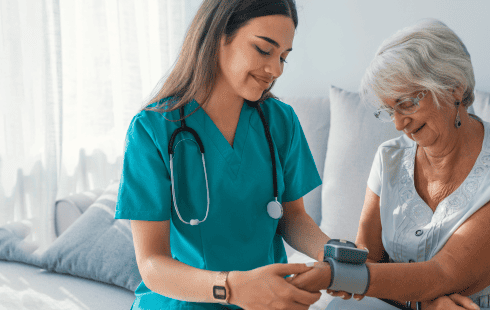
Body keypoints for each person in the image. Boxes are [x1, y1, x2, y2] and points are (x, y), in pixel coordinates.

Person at [290, 19, 490, 310]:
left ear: (454, 89)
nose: (398, 123)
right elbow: (369, 263)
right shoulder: (389, 158)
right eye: (389, 110)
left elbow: (447, 273)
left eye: (407, 104)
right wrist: (424, 305)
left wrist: (334, 275)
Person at [115, 1, 333, 309]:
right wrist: (232, 288)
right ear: (218, 35)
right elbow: (151, 262)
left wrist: (334, 252)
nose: (276, 70)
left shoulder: (280, 121)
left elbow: (293, 218)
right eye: (263, 50)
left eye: (284, 57)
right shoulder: (152, 129)